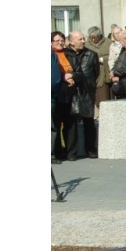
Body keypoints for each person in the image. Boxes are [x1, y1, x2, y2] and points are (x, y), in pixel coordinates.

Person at [66, 30, 99, 158]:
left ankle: (90, 149)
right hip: (71, 92)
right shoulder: (65, 54)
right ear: (71, 41)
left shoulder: (91, 55)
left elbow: (96, 73)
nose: (83, 41)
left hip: (86, 91)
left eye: (83, 38)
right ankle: (71, 152)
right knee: (71, 123)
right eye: (80, 39)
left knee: (88, 121)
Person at [51, 31, 77, 161]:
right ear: (51, 43)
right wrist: (64, 77)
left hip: (69, 91)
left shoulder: (69, 53)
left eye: (62, 40)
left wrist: (72, 76)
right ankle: (57, 152)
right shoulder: (52, 54)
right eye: (57, 41)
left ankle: (70, 152)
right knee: (55, 123)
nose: (60, 43)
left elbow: (78, 69)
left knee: (70, 123)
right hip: (57, 91)